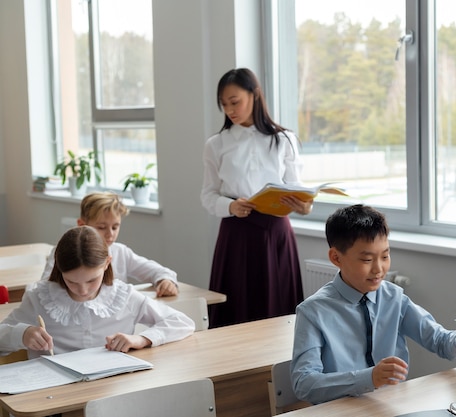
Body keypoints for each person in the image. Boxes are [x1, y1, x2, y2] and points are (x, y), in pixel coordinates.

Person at [290, 204, 456, 404]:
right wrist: (368, 378)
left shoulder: (394, 298)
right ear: (336, 257)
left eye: (385, 256)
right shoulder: (312, 312)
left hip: (391, 406)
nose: (379, 269)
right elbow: (304, 384)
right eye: (367, 259)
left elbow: (441, 343)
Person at [201, 68, 310, 327]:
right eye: (224, 104)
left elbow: (297, 188)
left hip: (276, 232)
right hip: (236, 232)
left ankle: (281, 364)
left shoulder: (284, 140)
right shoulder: (216, 144)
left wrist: (303, 206)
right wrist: (230, 205)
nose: (230, 110)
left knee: (279, 310)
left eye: (235, 102)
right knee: (236, 308)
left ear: (255, 95)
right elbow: (208, 195)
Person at [0, 226, 194, 358]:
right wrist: (21, 334)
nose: (83, 290)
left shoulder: (123, 296)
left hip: (111, 388)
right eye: (71, 281)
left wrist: (141, 339)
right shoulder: (39, 297)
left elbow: (183, 323)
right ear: (59, 268)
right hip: (54, 395)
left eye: (92, 280)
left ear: (107, 263)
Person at [41, 191, 179, 297]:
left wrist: (165, 281)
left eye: (115, 227)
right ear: (81, 225)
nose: (110, 234)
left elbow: (159, 271)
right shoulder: (64, 252)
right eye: (101, 227)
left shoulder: (120, 252)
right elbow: (46, 287)